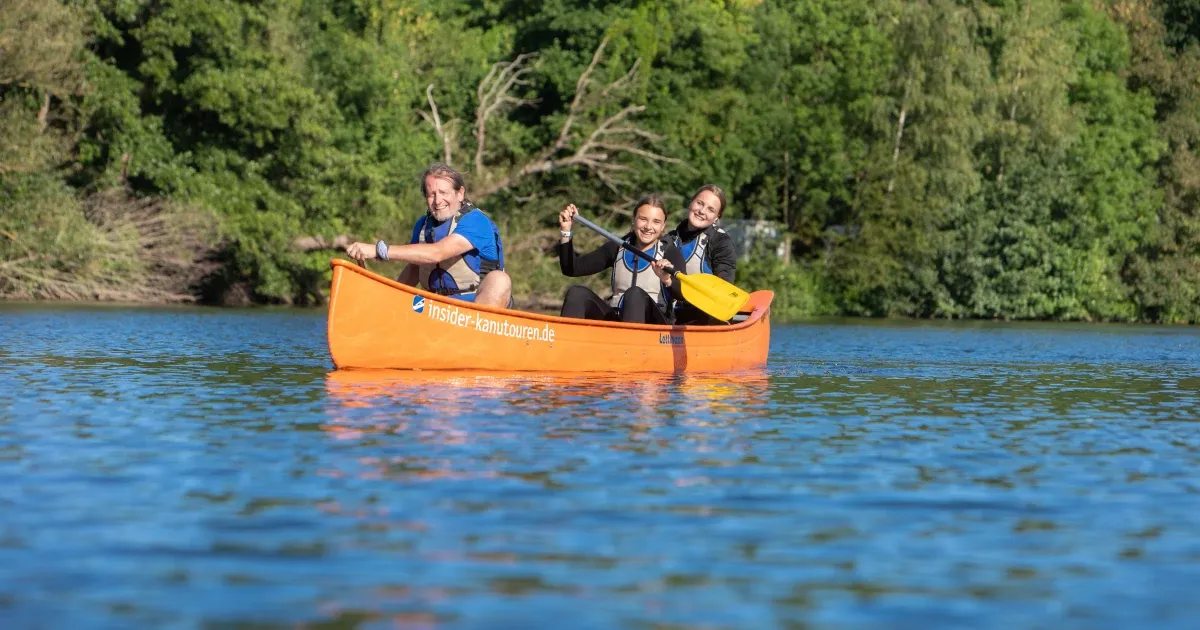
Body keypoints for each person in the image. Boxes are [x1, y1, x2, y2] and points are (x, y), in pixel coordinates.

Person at [346, 163, 512, 308]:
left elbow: (438, 253)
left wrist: (379, 250)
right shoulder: (423, 226)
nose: (437, 201)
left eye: (443, 193)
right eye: (432, 194)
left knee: (500, 280)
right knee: (403, 298)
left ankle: (478, 339)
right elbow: (413, 269)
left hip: (472, 310)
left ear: (459, 193)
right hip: (435, 308)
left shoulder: (476, 222)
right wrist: (388, 302)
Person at [557, 195, 687, 325]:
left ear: (663, 226)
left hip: (654, 325)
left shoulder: (670, 252)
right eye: (643, 219)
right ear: (633, 220)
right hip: (617, 319)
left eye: (656, 222)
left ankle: (630, 343)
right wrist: (566, 231)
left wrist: (667, 280)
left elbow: (683, 295)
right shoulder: (617, 247)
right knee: (577, 293)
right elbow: (572, 269)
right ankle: (567, 342)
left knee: (634, 293)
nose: (648, 226)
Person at [665, 184, 737, 325]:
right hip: (669, 315)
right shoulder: (668, 239)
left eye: (711, 209)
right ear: (691, 203)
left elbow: (724, 289)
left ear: (717, 217)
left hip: (702, 316)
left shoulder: (721, 242)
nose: (702, 211)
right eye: (700, 203)